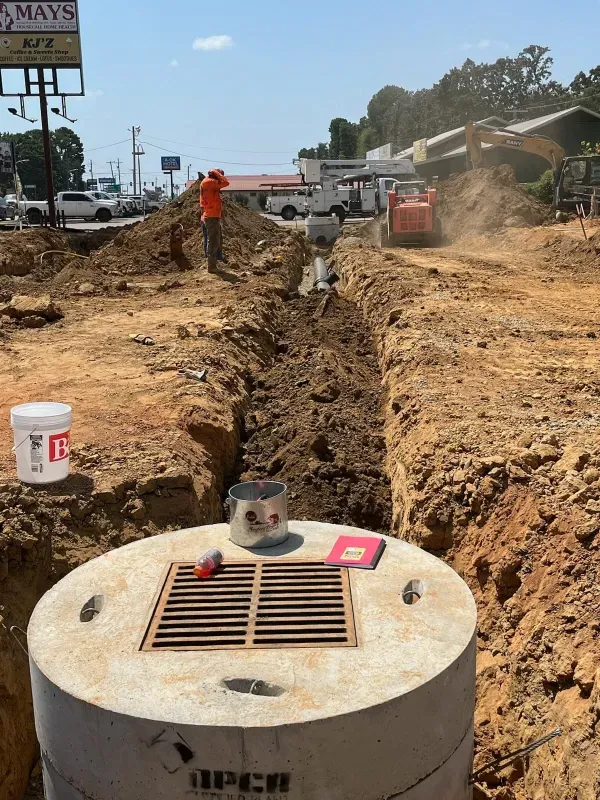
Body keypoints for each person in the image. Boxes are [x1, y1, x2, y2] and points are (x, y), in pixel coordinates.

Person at [200, 169, 229, 273]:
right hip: (211, 215)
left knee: (214, 239)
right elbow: (226, 182)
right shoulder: (210, 182)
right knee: (212, 241)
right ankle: (211, 266)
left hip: (211, 214)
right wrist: (217, 173)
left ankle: (213, 262)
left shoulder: (206, 182)